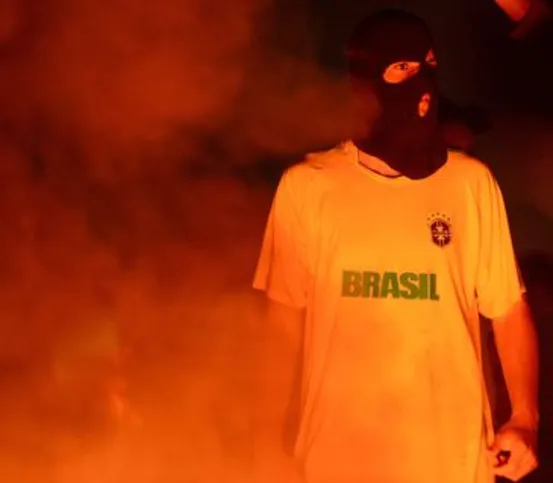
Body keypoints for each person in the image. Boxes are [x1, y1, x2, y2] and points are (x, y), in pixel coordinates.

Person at [252, 9, 540, 483]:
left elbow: (508, 310)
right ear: (365, 83)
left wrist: (526, 418)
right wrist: (264, 440)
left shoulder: (471, 184)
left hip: (453, 463)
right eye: (401, 69)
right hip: (337, 462)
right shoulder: (308, 188)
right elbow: (281, 325)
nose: (421, 81)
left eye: (428, 63)